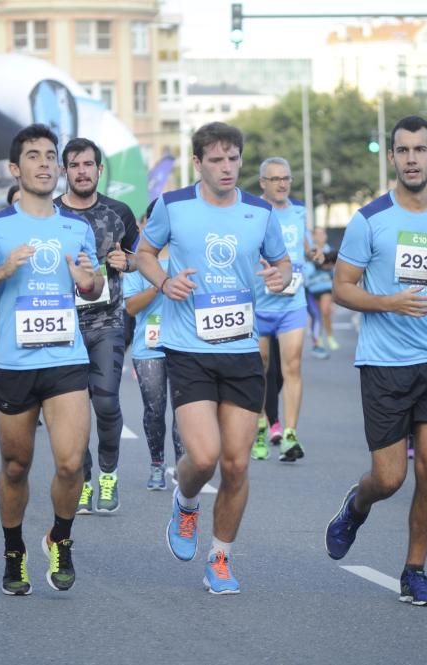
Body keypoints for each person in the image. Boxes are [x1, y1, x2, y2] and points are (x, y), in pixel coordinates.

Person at [324, 116, 427, 607]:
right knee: (390, 478)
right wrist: (389, 302)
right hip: (384, 364)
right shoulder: (369, 219)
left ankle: (415, 571)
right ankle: (357, 503)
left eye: (420, 149)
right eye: (403, 150)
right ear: (392, 157)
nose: (412, 158)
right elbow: (341, 288)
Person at [135, 121, 291, 594]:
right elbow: (144, 252)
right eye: (216, 160)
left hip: (242, 349)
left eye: (233, 158)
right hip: (189, 350)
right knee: (203, 458)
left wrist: (281, 276)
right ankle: (185, 503)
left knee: (238, 465)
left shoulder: (261, 213)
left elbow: (282, 263)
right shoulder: (174, 206)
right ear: (198, 163)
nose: (226, 168)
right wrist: (164, 282)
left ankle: (219, 558)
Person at [0, 123, 103, 595]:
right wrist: (3, 270)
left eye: (50, 156)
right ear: (16, 170)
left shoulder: (76, 227)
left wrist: (89, 281)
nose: (44, 163)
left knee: (70, 462)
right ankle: (14, 550)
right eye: (34, 156)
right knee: (16, 466)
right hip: (16, 364)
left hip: (65, 359)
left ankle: (60, 538)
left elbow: (95, 285)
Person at [54, 137, 140, 514]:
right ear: (64, 171)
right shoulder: (50, 213)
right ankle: (84, 480)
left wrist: (128, 261)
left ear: (99, 170)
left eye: (88, 164)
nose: (82, 171)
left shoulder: (119, 211)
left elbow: (142, 258)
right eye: (74, 165)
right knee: (74, 413)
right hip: (61, 326)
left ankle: (108, 473)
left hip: (108, 321)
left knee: (105, 401)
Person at [250, 157, 322, 463]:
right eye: (275, 179)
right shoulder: (253, 213)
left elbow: (306, 244)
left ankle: (290, 433)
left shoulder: (298, 212)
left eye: (286, 178)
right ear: (263, 183)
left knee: (292, 366)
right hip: (260, 304)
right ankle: (260, 427)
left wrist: (314, 252)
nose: (282, 184)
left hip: (292, 302)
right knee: (260, 369)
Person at [123, 202, 185, 489]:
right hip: (149, 347)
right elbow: (131, 308)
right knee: (154, 409)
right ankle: (157, 464)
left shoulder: (186, 256)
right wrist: (159, 284)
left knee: (185, 410)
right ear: (145, 224)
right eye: (152, 221)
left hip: (184, 343)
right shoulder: (138, 264)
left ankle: (184, 468)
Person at [305, 226, 336, 357]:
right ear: (312, 236)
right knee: (316, 315)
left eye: (322, 233)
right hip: (311, 287)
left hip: (326, 287)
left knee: (325, 311)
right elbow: (309, 268)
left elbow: (333, 270)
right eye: (317, 234)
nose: (320, 236)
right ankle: (318, 341)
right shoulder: (308, 250)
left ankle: (329, 336)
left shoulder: (330, 250)